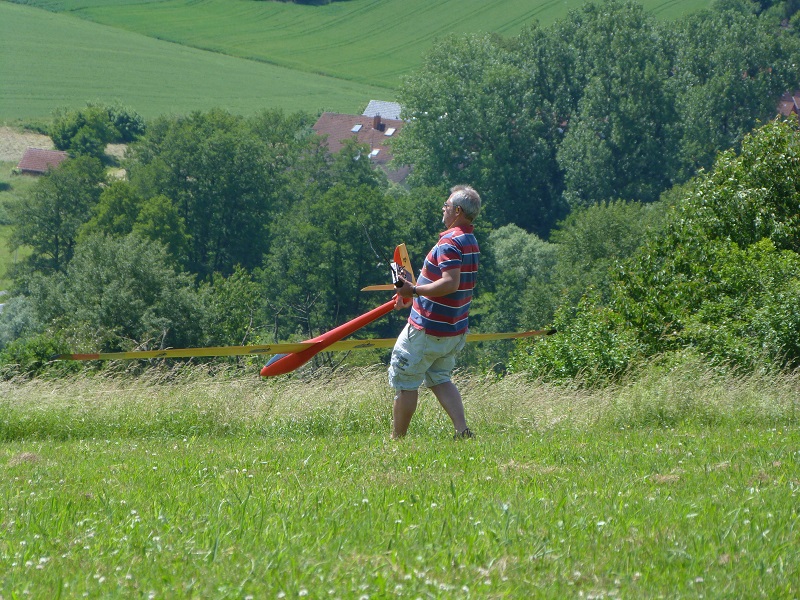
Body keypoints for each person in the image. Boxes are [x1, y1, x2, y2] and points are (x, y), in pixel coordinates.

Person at [389, 185, 481, 440]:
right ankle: (462, 431)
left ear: (458, 211)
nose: (443, 208)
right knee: (440, 377)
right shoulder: (470, 240)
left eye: (447, 205)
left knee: (405, 381)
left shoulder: (450, 242)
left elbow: (450, 283)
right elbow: (443, 283)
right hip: (454, 328)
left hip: (428, 329)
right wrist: (411, 295)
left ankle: (397, 441)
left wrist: (413, 290)